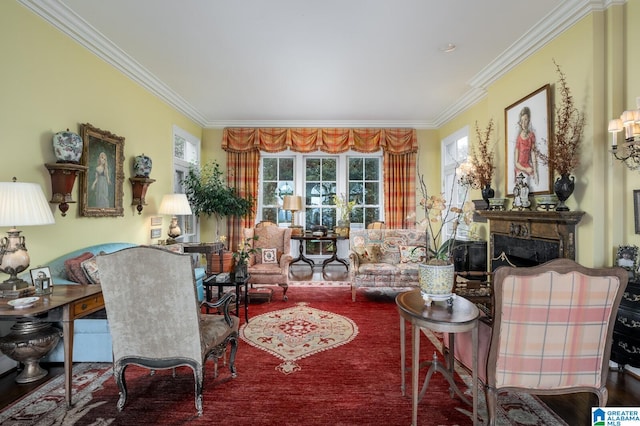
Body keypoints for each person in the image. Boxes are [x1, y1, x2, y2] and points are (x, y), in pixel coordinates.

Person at [514, 106, 538, 185]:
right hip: (520, 168)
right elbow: (516, 163)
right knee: (524, 181)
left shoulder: (531, 135)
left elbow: (533, 154)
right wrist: (525, 169)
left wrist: (535, 171)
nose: (524, 123)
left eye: (525, 120)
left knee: (535, 180)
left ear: (529, 120)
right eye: (522, 120)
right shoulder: (519, 139)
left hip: (528, 166)